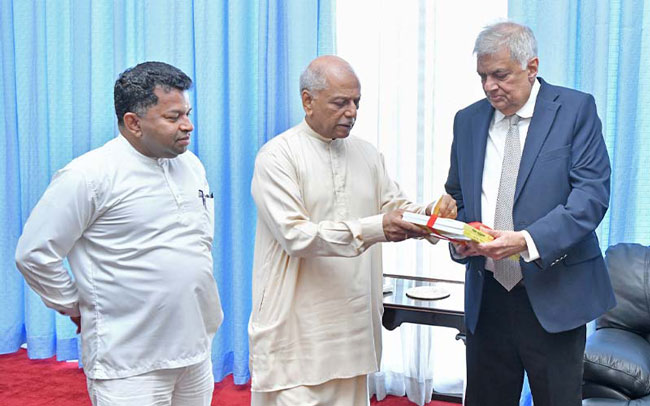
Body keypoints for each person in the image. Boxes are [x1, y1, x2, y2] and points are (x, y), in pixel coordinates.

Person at [248, 55, 456, 406]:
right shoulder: (278, 156)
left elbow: (394, 207)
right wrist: (377, 227)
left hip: (353, 330)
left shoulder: (367, 154)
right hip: (297, 332)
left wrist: (430, 216)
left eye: (357, 102)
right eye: (340, 103)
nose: (352, 112)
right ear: (307, 101)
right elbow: (296, 236)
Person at [15, 61, 223, 406]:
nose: (188, 125)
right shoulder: (88, 175)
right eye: (173, 117)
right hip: (128, 363)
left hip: (195, 350)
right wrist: (74, 304)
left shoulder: (191, 165)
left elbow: (198, 242)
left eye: (187, 114)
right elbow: (34, 253)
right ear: (133, 122)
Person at [444, 22, 615, 405]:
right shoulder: (467, 121)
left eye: (500, 75)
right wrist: (461, 240)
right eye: (482, 76)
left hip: (555, 293)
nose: (490, 86)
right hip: (488, 296)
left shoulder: (575, 110)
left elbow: (591, 197)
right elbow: (458, 196)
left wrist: (526, 241)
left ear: (531, 67)